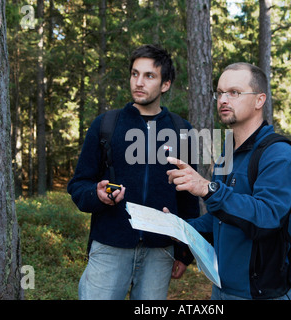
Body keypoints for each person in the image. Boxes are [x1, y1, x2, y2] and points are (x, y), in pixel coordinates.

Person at [68, 44, 199, 300]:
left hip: (160, 252)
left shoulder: (182, 130)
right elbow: (79, 185)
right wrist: (97, 195)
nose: (139, 82)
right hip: (109, 247)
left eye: (149, 76)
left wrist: (184, 252)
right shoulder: (106, 125)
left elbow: (188, 198)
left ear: (165, 84)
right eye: (134, 74)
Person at [166, 62, 291, 300]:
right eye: (219, 93)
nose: (223, 100)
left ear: (259, 100)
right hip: (221, 288)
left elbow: (268, 217)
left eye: (234, 93)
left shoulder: (278, 153)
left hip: (262, 294)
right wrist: (182, 228)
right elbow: (221, 219)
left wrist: (208, 188)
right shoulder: (227, 152)